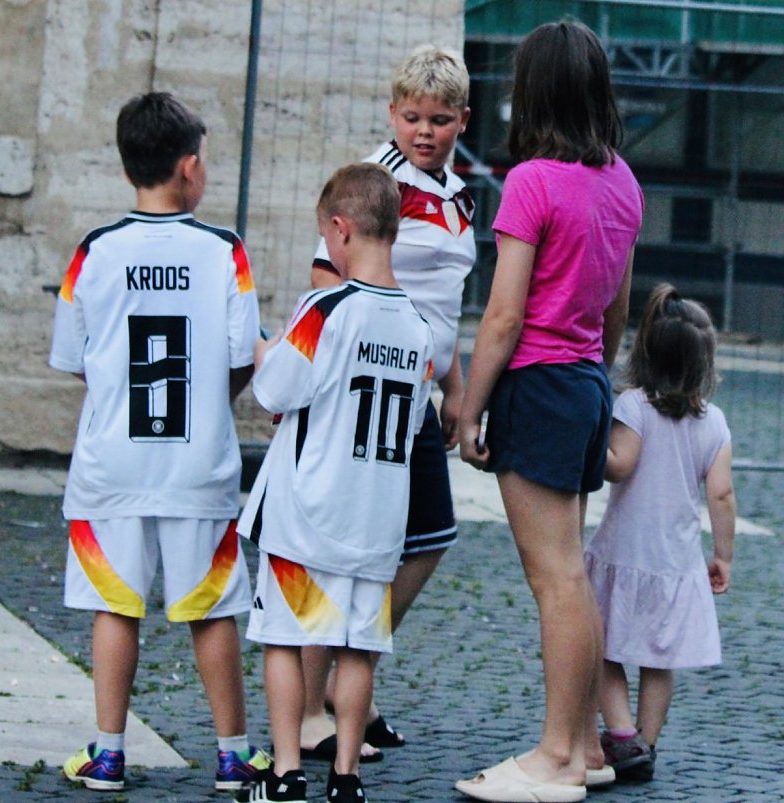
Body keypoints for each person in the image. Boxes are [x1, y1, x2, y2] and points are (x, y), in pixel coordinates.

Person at [49, 91, 269, 792]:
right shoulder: (224, 252)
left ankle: (108, 752)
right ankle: (234, 754)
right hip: (198, 462)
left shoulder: (92, 253)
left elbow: (77, 357)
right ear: (187, 167)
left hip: (111, 463)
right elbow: (244, 354)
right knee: (212, 609)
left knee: (115, 604)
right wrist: (209, 401)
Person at [455, 20, 644, 803]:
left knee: (557, 579)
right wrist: (591, 377)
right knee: (573, 577)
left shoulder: (532, 179)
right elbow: (617, 310)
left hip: (537, 382)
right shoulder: (625, 182)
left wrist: (469, 410)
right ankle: (591, 746)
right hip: (586, 385)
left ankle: (559, 755)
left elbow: (502, 316)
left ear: (529, 91)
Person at [239, 162, 434, 803]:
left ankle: (287, 772)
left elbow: (274, 388)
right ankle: (346, 779)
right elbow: (407, 428)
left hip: (307, 514)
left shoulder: (326, 308)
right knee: (357, 653)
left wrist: (267, 347)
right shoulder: (418, 327)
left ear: (341, 231)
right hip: (375, 517)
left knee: (285, 641)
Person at [304, 42, 475, 761]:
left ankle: (352, 674)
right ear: (391, 113)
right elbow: (324, 278)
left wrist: (459, 391)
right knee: (343, 552)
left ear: (463, 120)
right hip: (369, 392)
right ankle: (314, 706)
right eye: (412, 116)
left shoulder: (463, 193)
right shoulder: (377, 183)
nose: (425, 131)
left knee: (428, 538)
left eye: (439, 118)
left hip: (420, 394)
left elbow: (446, 304)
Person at [585, 283, 736, 782]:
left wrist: (589, 446)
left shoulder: (634, 408)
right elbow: (720, 494)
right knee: (659, 661)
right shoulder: (713, 423)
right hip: (676, 564)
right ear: (704, 363)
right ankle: (646, 742)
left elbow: (620, 466)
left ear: (646, 353)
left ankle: (623, 737)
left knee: (604, 648)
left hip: (623, 553)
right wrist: (723, 555)